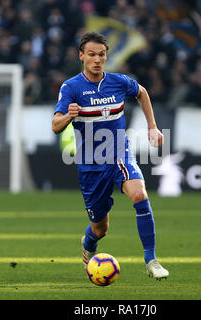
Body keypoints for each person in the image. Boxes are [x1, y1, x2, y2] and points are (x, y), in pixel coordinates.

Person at [51, 32, 169, 280]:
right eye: (91, 55)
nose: (97, 59)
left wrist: (152, 126)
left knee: (139, 194)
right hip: (91, 165)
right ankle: (89, 243)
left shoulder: (118, 82)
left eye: (101, 55)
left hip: (119, 155)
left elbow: (142, 93)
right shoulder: (71, 87)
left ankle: (151, 260)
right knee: (100, 228)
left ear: (106, 56)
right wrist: (68, 116)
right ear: (81, 56)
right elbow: (55, 126)